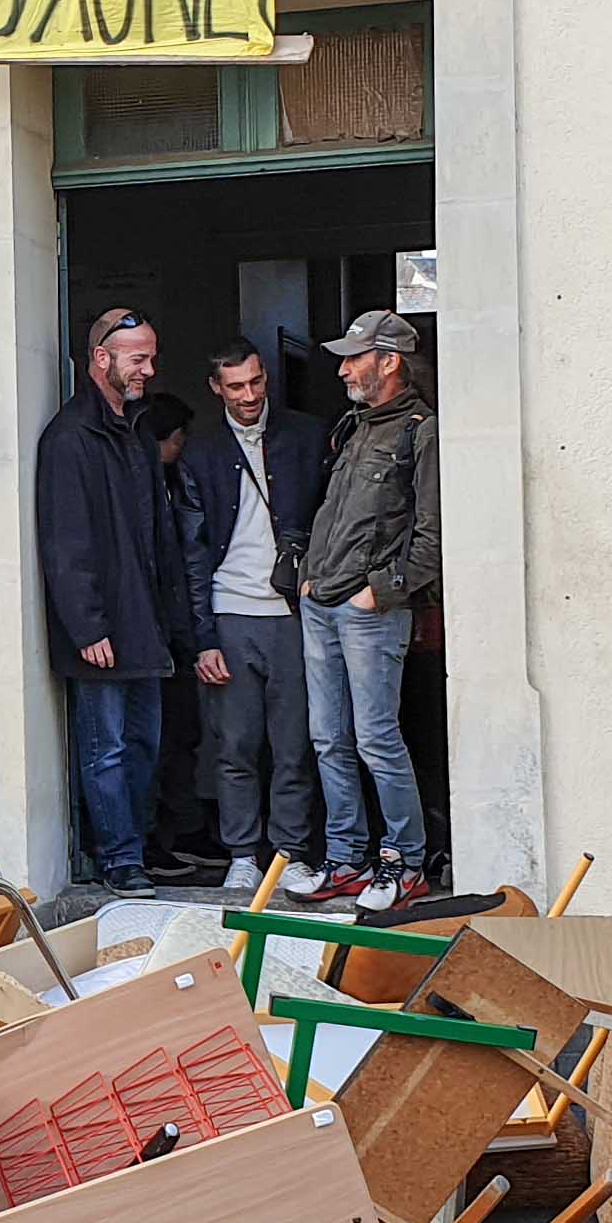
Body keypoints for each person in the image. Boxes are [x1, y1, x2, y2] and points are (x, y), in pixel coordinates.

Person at [32, 307, 194, 901]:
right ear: (102, 358)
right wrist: (87, 625)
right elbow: (65, 542)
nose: (150, 369)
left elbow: (160, 538)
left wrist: (179, 624)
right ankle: (120, 862)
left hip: (145, 626)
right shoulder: (71, 438)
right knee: (107, 752)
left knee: (143, 748)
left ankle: (135, 850)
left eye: (149, 357)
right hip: (103, 633)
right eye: (138, 358)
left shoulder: (135, 433)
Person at [295, 310, 442, 912]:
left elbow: (433, 534)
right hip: (323, 602)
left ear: (390, 361)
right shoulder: (353, 427)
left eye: (355, 356)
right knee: (328, 739)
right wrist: (309, 578)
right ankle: (346, 860)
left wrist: (382, 590)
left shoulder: (420, 431)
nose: (342, 367)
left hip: (370, 609)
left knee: (377, 739)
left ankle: (405, 864)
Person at [181, 337, 330, 898]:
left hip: (293, 610)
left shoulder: (306, 434)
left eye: (257, 382)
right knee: (235, 744)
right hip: (229, 609)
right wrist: (201, 639)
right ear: (216, 388)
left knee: (294, 743)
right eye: (236, 386)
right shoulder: (200, 451)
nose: (250, 395)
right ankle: (243, 852)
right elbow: (191, 552)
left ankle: (289, 852)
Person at [134, 391, 223, 887]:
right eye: (179, 437)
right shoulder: (144, 491)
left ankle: (184, 830)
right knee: (155, 741)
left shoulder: (172, 484)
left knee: (181, 737)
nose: (185, 446)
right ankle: (152, 839)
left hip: (175, 632)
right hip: (158, 634)